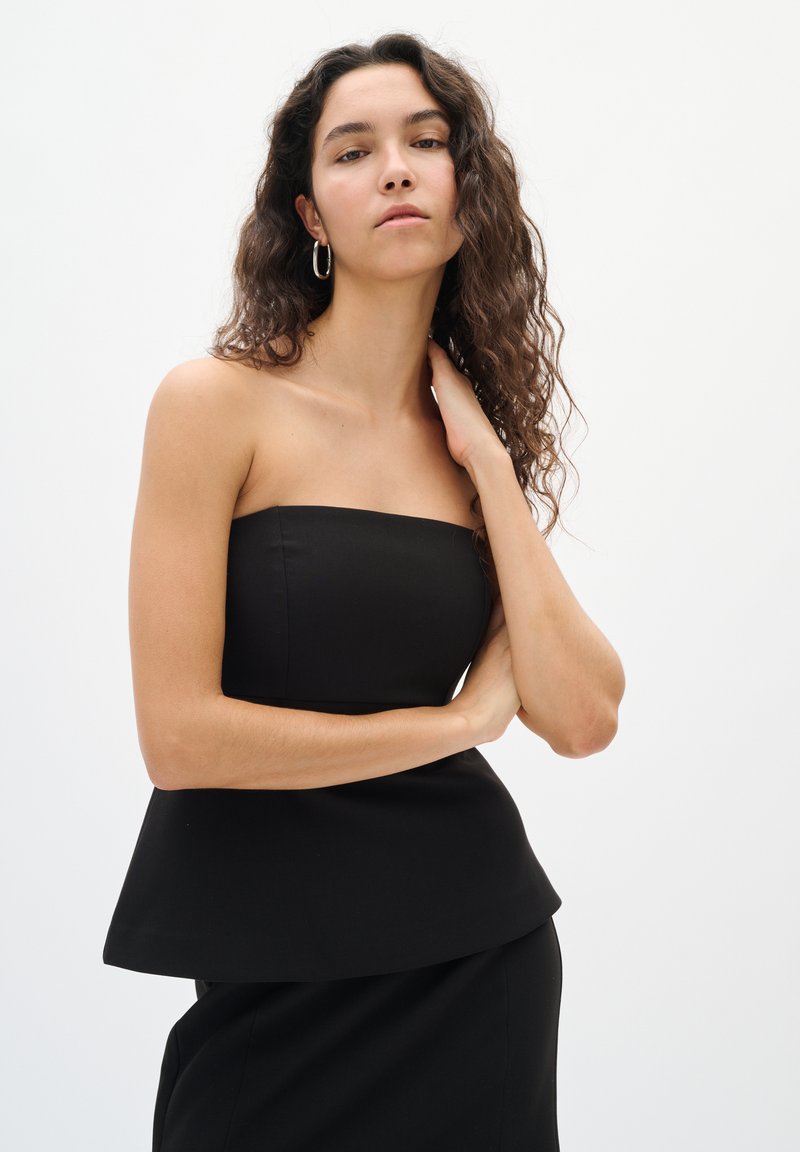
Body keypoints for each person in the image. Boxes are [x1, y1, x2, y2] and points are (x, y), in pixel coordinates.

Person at [103, 30, 625, 1152]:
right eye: (352, 151)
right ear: (309, 214)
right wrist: (450, 727)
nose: (394, 169)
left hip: (476, 964)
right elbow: (178, 739)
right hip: (272, 983)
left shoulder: (470, 448)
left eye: (425, 142)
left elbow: (583, 715)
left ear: (463, 190)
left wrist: (492, 470)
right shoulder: (214, 406)